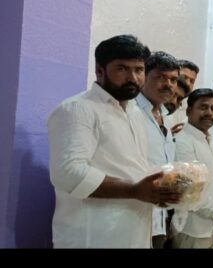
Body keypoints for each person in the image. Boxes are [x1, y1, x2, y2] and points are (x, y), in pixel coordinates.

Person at [47, 34, 181, 248]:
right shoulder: (78, 109)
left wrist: (160, 188)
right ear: (100, 70)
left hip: (133, 231)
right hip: (93, 236)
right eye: (122, 69)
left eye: (138, 70)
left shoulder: (134, 112)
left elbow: (133, 168)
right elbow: (67, 173)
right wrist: (134, 190)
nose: (133, 78)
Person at [171, 89, 213, 248]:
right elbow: (190, 191)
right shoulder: (182, 141)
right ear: (188, 110)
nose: (209, 113)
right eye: (203, 107)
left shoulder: (210, 141)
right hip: (193, 229)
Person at [135, 51, 180, 248]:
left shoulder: (166, 117)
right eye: (160, 77)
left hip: (159, 217)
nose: (168, 84)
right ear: (144, 76)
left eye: (173, 79)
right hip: (134, 213)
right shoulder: (130, 111)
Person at [168, 59, 199, 134]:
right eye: (184, 77)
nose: (188, 83)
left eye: (192, 81)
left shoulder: (193, 108)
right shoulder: (161, 100)